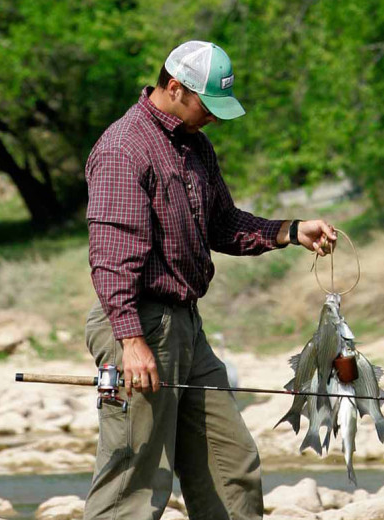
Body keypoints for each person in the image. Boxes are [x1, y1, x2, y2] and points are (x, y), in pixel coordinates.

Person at [82, 40, 336, 520]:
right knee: (136, 481)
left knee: (231, 463)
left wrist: (289, 231)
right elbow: (112, 256)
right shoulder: (123, 148)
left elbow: (224, 223)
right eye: (207, 106)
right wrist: (131, 342)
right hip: (138, 325)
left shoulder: (195, 145)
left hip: (187, 328)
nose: (214, 118)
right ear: (174, 88)